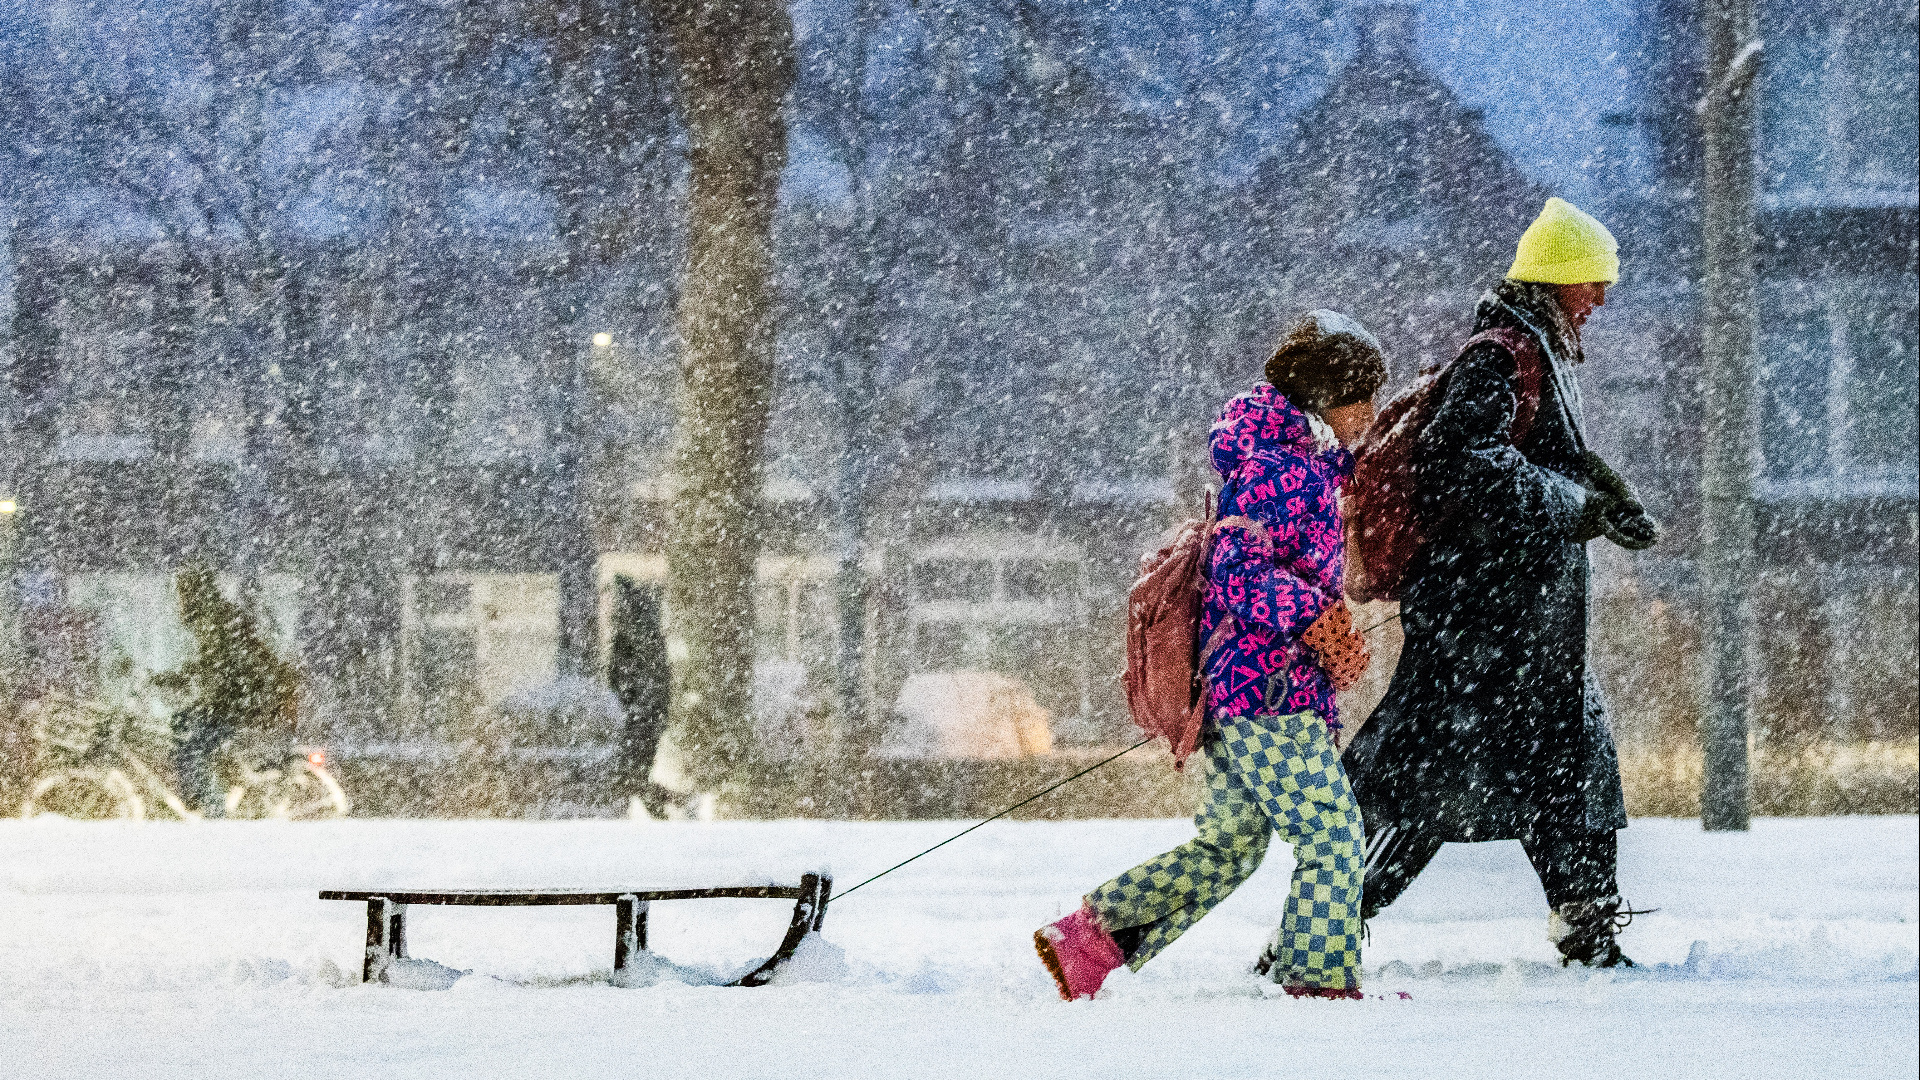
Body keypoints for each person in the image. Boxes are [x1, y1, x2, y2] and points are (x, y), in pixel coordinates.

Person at [1342, 197, 1658, 968]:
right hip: (1482, 624)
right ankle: (1318, 928)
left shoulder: (1539, 350)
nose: (1603, 299)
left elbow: (1539, 455)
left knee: (1568, 764)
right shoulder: (1502, 353)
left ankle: (1589, 930)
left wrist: (1607, 497)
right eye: (1594, 282)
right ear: (1558, 280)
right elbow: (1468, 460)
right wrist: (1576, 506)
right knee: (1424, 783)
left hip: (1524, 624)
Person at [1033, 310, 1385, 1000]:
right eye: (1363, 395)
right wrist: (1314, 615)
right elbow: (1235, 568)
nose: (1371, 410)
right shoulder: (1282, 472)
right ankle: (1318, 983)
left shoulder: (1299, 468)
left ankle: (1090, 940)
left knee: (1231, 847)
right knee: (1334, 836)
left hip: (1245, 690)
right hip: (1268, 694)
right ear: (1326, 398)